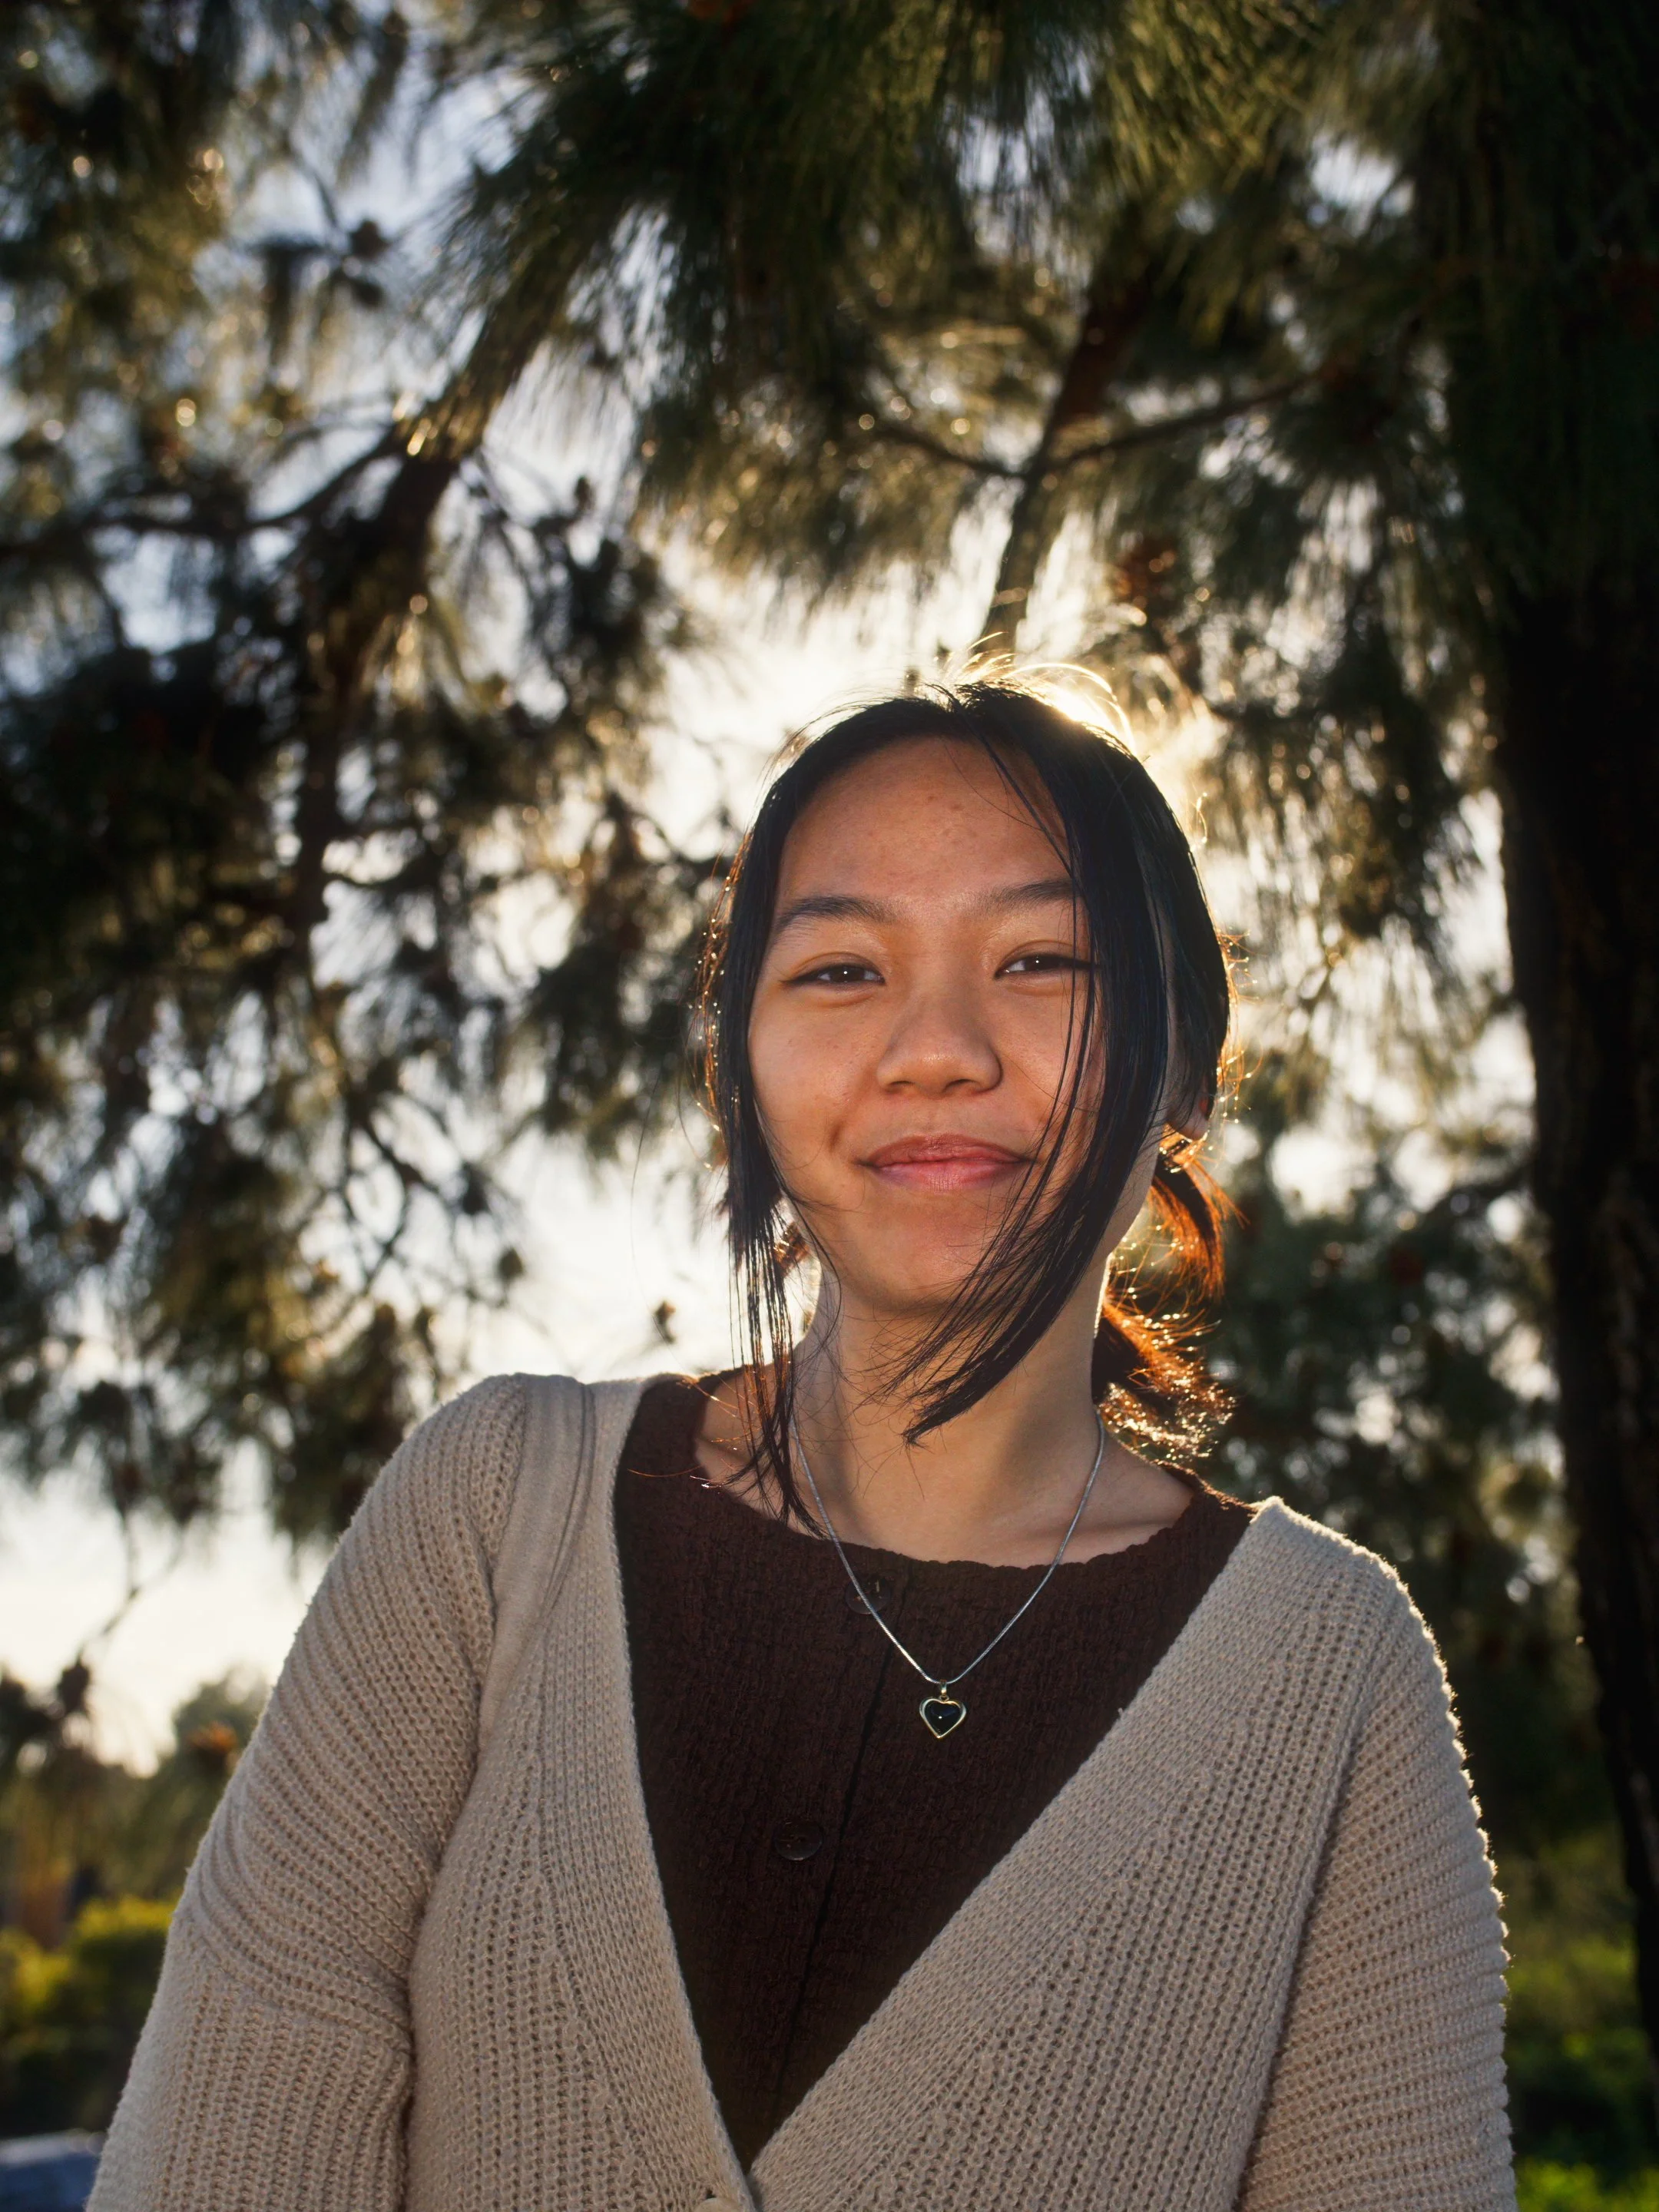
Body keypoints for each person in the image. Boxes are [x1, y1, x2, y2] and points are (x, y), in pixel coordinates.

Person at [90, 676, 1515, 2212]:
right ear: (749, 1073)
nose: (934, 1048)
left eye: (1044, 959)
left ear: (1182, 1067)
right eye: (840, 969)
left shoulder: (1329, 1675)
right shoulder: (496, 1516)